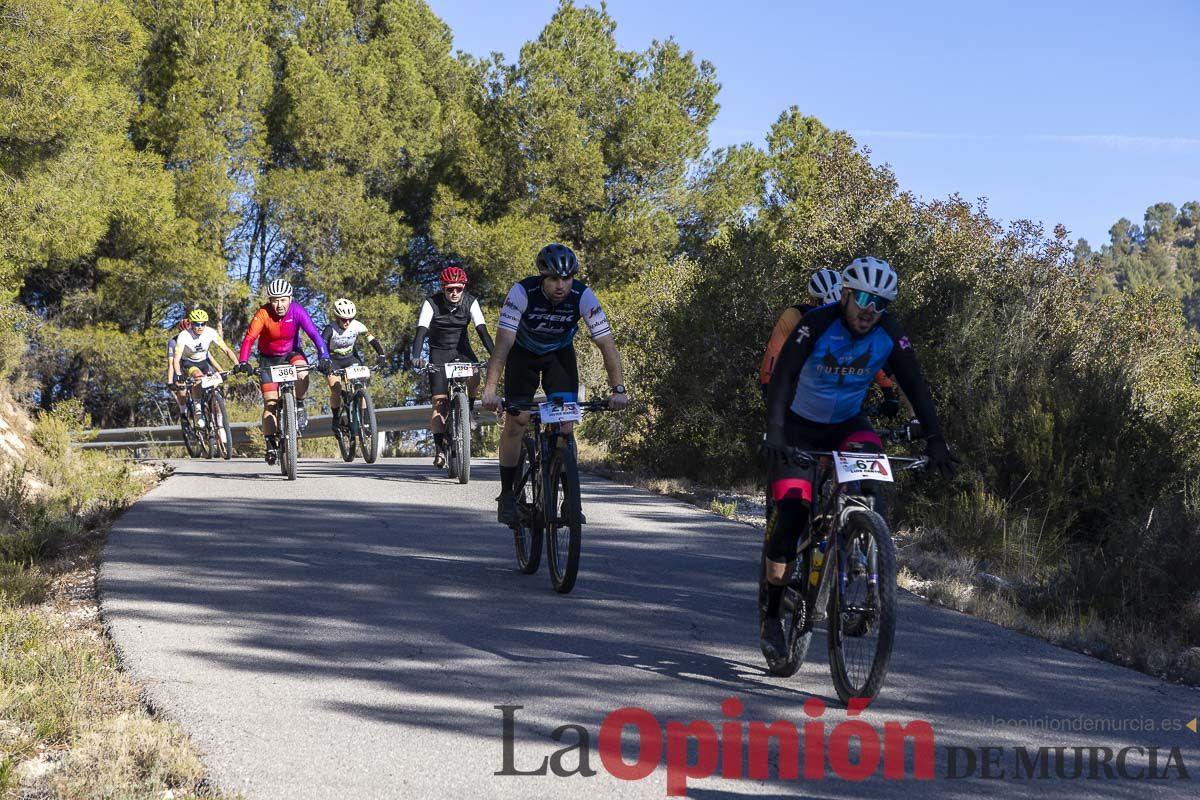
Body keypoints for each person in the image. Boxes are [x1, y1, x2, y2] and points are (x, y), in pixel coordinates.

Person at [760, 256, 959, 663]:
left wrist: (936, 438)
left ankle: (862, 558)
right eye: (865, 297)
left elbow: (914, 383)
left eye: (881, 302)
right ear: (847, 294)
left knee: (872, 485)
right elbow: (782, 378)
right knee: (793, 514)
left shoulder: (888, 333)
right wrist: (777, 433)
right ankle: (770, 616)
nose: (871, 309)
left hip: (849, 424)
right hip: (799, 426)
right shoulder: (815, 324)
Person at [481, 244, 629, 525]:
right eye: (553, 279)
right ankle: (507, 496)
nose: (561, 285)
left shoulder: (583, 295)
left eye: (567, 278)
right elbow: (502, 345)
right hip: (522, 354)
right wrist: (490, 390)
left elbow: (606, 345)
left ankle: (571, 500)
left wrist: (618, 389)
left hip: (558, 356)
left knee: (565, 425)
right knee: (517, 420)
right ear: (542, 277)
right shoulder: (522, 293)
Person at [759, 268, 901, 416]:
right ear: (812, 301)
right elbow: (773, 354)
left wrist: (889, 395)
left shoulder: (850, 318)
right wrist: (769, 394)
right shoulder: (795, 316)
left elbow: (868, 354)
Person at [234, 279, 332, 465]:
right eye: (275, 300)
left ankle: (300, 404)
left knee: (303, 373)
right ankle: (271, 445)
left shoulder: (297, 310)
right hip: (269, 359)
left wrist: (324, 356)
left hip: (291, 354)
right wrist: (243, 361)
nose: (279, 305)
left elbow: (314, 334)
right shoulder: (263, 313)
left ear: (290, 298)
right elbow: (249, 338)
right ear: (270, 301)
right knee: (270, 404)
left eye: (283, 300)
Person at [411, 264, 494, 468]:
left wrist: (496, 355)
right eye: (450, 289)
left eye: (458, 288)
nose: (454, 292)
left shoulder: (471, 302)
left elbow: (482, 331)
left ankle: (469, 411)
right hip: (439, 353)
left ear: (463, 287)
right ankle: (440, 450)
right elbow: (421, 332)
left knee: (475, 375)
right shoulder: (431, 303)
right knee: (439, 404)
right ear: (443, 288)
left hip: (461, 350)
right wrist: (415, 357)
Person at [322, 298, 385, 433]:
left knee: (361, 385)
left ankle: (364, 419)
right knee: (336, 388)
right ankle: (335, 418)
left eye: (350, 318)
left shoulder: (357, 325)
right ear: (337, 317)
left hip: (351, 358)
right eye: (344, 319)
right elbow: (322, 346)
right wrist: (324, 361)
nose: (347, 322)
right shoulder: (330, 329)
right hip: (334, 360)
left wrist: (381, 355)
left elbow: (372, 340)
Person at [171, 309, 239, 419]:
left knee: (215, 382)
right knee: (198, 377)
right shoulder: (184, 336)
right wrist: (178, 373)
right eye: (196, 324)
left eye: (203, 324)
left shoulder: (210, 332)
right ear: (191, 324)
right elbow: (176, 358)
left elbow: (226, 349)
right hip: (189, 362)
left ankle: (217, 411)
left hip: (203, 361)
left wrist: (237, 364)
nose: (200, 327)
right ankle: (197, 408)